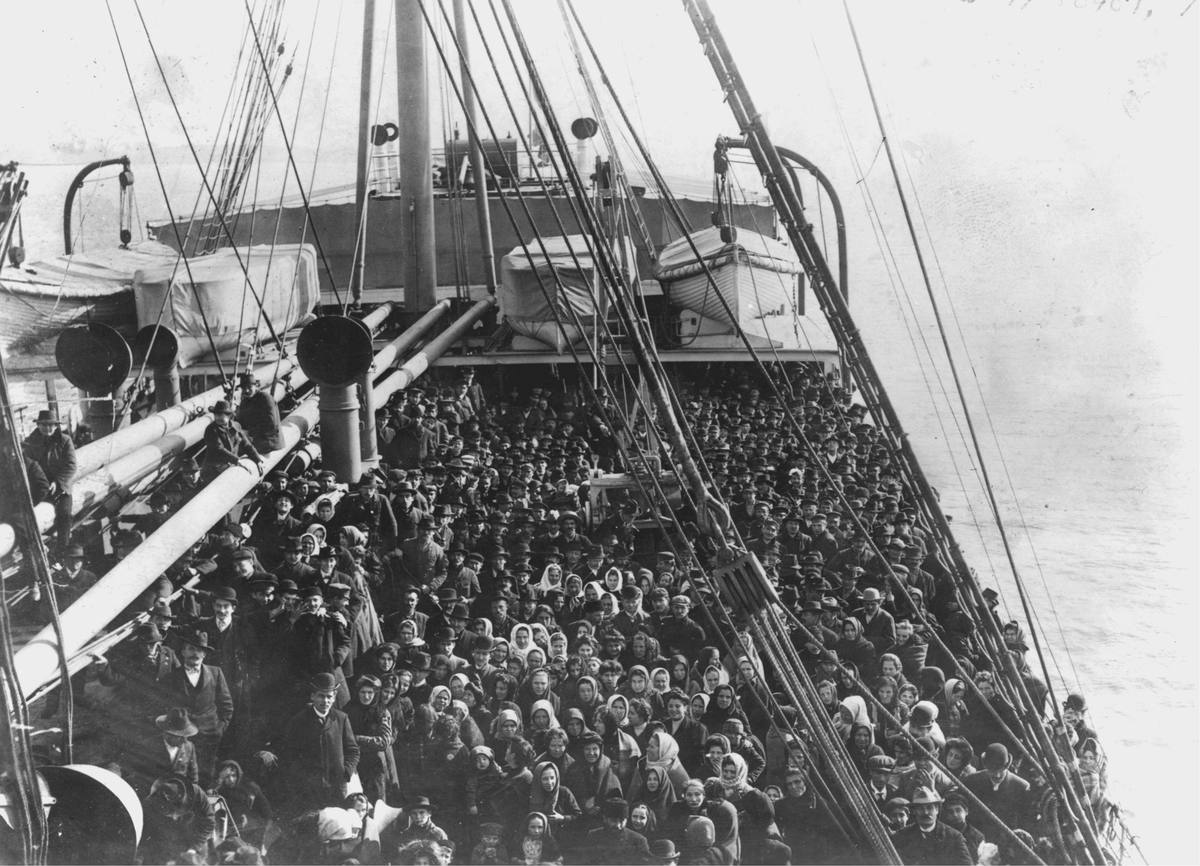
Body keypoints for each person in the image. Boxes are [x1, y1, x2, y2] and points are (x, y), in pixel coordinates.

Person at [275, 672, 360, 812]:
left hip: (337, 787)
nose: (325, 701)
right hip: (309, 789)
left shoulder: (341, 719)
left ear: (334, 697)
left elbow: (353, 750)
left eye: (329, 697)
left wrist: (346, 772)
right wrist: (303, 778)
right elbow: (289, 755)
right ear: (312, 696)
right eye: (321, 696)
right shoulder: (298, 721)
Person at [23, 409, 76, 548]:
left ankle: (62, 550)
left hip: (60, 487)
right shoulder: (29, 443)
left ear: (56, 426)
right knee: (31, 517)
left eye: (51, 425)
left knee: (64, 516)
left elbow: (71, 465)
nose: (48, 428)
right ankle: (36, 547)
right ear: (38, 425)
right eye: (44, 425)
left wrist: (57, 483)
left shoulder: (65, 441)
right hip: (39, 486)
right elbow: (27, 467)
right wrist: (40, 484)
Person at [889, 786, 972, 865]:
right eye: (920, 808)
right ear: (914, 811)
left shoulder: (954, 837)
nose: (925, 812)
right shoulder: (901, 837)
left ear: (937, 810)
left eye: (929, 808)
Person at [202, 400, 263, 482]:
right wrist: (237, 460)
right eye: (216, 415)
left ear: (229, 416)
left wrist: (257, 460)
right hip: (214, 469)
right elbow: (219, 449)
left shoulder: (236, 426)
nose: (217, 418)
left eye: (220, 415)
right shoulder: (211, 430)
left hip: (231, 464)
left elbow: (246, 444)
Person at [583, 797, 651, 865]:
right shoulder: (593, 836)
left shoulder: (638, 841)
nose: (618, 825)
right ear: (605, 818)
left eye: (622, 821)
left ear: (626, 819)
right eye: (613, 820)